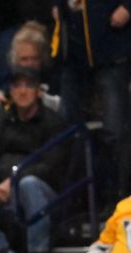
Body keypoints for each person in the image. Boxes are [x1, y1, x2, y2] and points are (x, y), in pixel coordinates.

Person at [52, 0, 131, 197]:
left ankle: (117, 197)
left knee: (115, 130)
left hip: (110, 48)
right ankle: (69, 199)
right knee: (65, 128)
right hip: (73, 50)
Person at [0, 67, 69, 253]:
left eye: (29, 85)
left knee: (29, 185)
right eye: (17, 86)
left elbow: (51, 167)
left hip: (45, 195)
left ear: (38, 91)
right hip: (3, 190)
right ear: (10, 91)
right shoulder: (2, 123)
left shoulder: (54, 123)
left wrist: (14, 181)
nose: (22, 91)